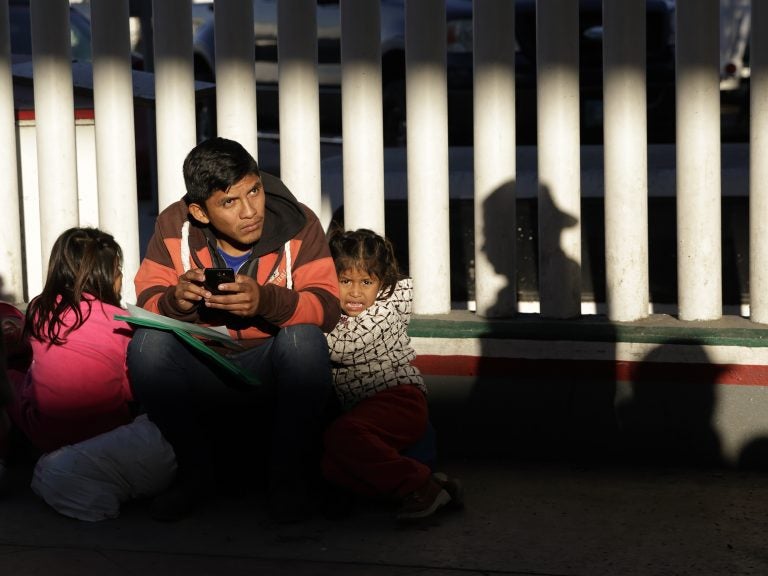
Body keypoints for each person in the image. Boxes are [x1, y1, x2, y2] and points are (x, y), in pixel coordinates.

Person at [127, 137, 341, 523]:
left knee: (304, 338)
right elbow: (147, 299)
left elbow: (327, 306)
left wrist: (267, 302)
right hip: (204, 363)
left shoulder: (300, 222)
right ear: (201, 211)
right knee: (147, 345)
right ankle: (194, 476)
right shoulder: (174, 225)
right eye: (229, 202)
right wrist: (177, 302)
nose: (250, 211)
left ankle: (287, 483)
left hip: (271, 363)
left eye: (254, 191)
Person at [322, 228, 461, 521]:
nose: (355, 292)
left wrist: (304, 319)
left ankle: (419, 485)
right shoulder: (347, 314)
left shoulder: (384, 313)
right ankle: (428, 486)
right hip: (370, 408)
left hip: (398, 400)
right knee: (331, 465)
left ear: (382, 284)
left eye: (366, 282)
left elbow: (342, 348)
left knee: (343, 435)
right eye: (345, 281)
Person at [0, 228, 135, 461]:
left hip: (47, 437)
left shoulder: (39, 309)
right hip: (109, 435)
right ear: (107, 276)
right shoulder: (122, 322)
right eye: (118, 270)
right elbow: (129, 387)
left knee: (11, 376)